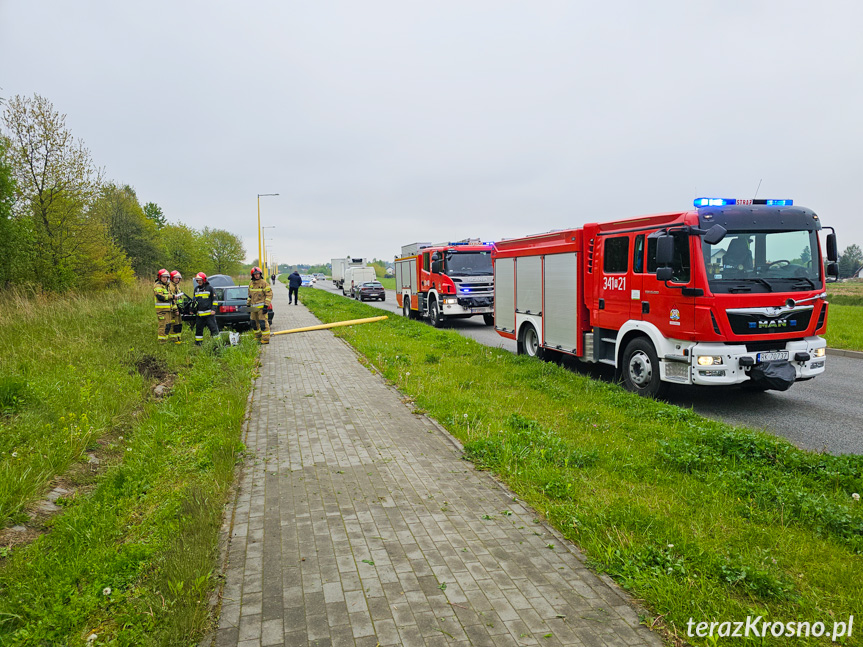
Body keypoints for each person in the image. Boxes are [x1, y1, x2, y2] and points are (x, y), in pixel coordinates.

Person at [247, 266, 273, 344]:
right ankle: (257, 336)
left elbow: (269, 295)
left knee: (263, 323)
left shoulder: (264, 283)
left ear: (260, 274)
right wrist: (248, 305)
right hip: (253, 308)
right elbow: (250, 295)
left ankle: (265, 339)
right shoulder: (251, 283)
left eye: (258, 274)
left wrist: (266, 306)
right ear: (252, 275)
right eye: (255, 274)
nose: (257, 275)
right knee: (253, 322)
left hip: (262, 308)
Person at [193, 272, 220, 345]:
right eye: (197, 280)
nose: (199, 282)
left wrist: (213, 309)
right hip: (199, 315)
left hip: (209, 314)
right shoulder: (196, 289)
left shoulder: (210, 288)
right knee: (198, 330)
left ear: (204, 280)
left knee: (214, 329)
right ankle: (198, 344)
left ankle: (217, 343)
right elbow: (194, 301)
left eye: (200, 280)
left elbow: (215, 300)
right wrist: (192, 309)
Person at [153, 269, 173, 343]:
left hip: (167, 309)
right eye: (163, 277)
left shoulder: (166, 286)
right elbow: (160, 297)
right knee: (162, 326)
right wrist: (172, 296)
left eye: (166, 277)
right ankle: (161, 342)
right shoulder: (158, 285)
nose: (165, 279)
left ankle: (165, 340)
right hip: (161, 310)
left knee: (167, 325)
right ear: (160, 277)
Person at [168, 270, 187, 344]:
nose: (177, 279)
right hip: (173, 309)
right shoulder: (170, 286)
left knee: (179, 324)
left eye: (178, 278)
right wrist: (175, 309)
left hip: (179, 308)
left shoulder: (177, 286)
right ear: (172, 278)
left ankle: (179, 338)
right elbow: (171, 299)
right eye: (176, 278)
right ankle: (174, 340)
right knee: (174, 324)